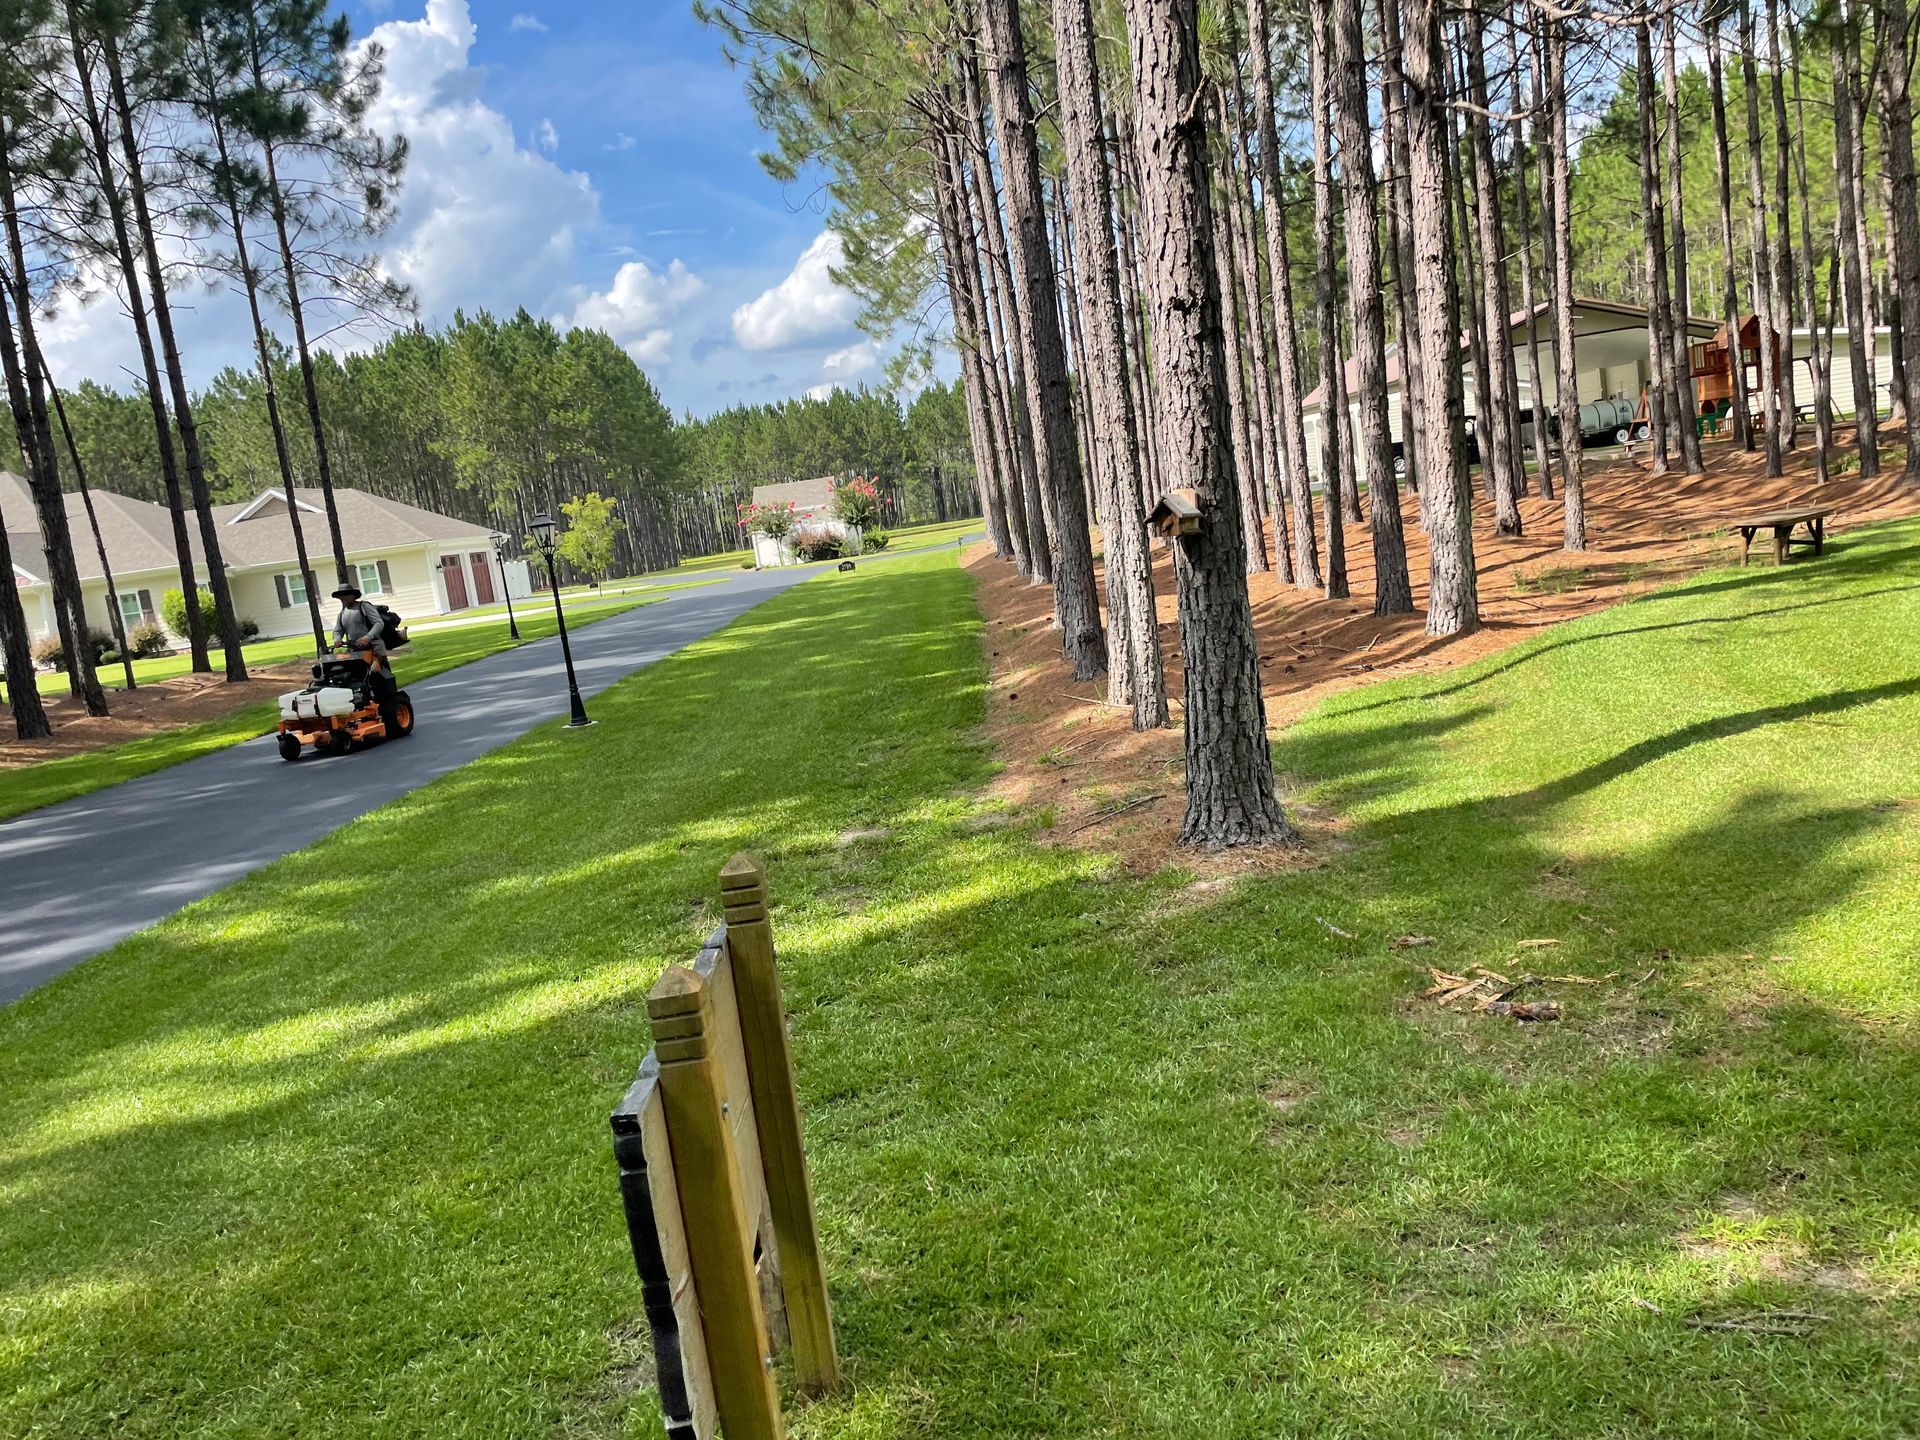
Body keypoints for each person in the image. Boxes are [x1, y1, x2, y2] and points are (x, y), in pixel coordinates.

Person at [331, 582, 397, 705]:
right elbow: (338, 630)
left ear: (353, 595)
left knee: (379, 677)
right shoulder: (342, 614)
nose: (343, 598)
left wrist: (368, 637)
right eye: (341, 595)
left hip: (374, 648)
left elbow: (378, 623)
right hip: (355, 652)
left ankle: (389, 704)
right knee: (359, 679)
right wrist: (337, 638)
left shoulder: (364, 606)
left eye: (346, 594)